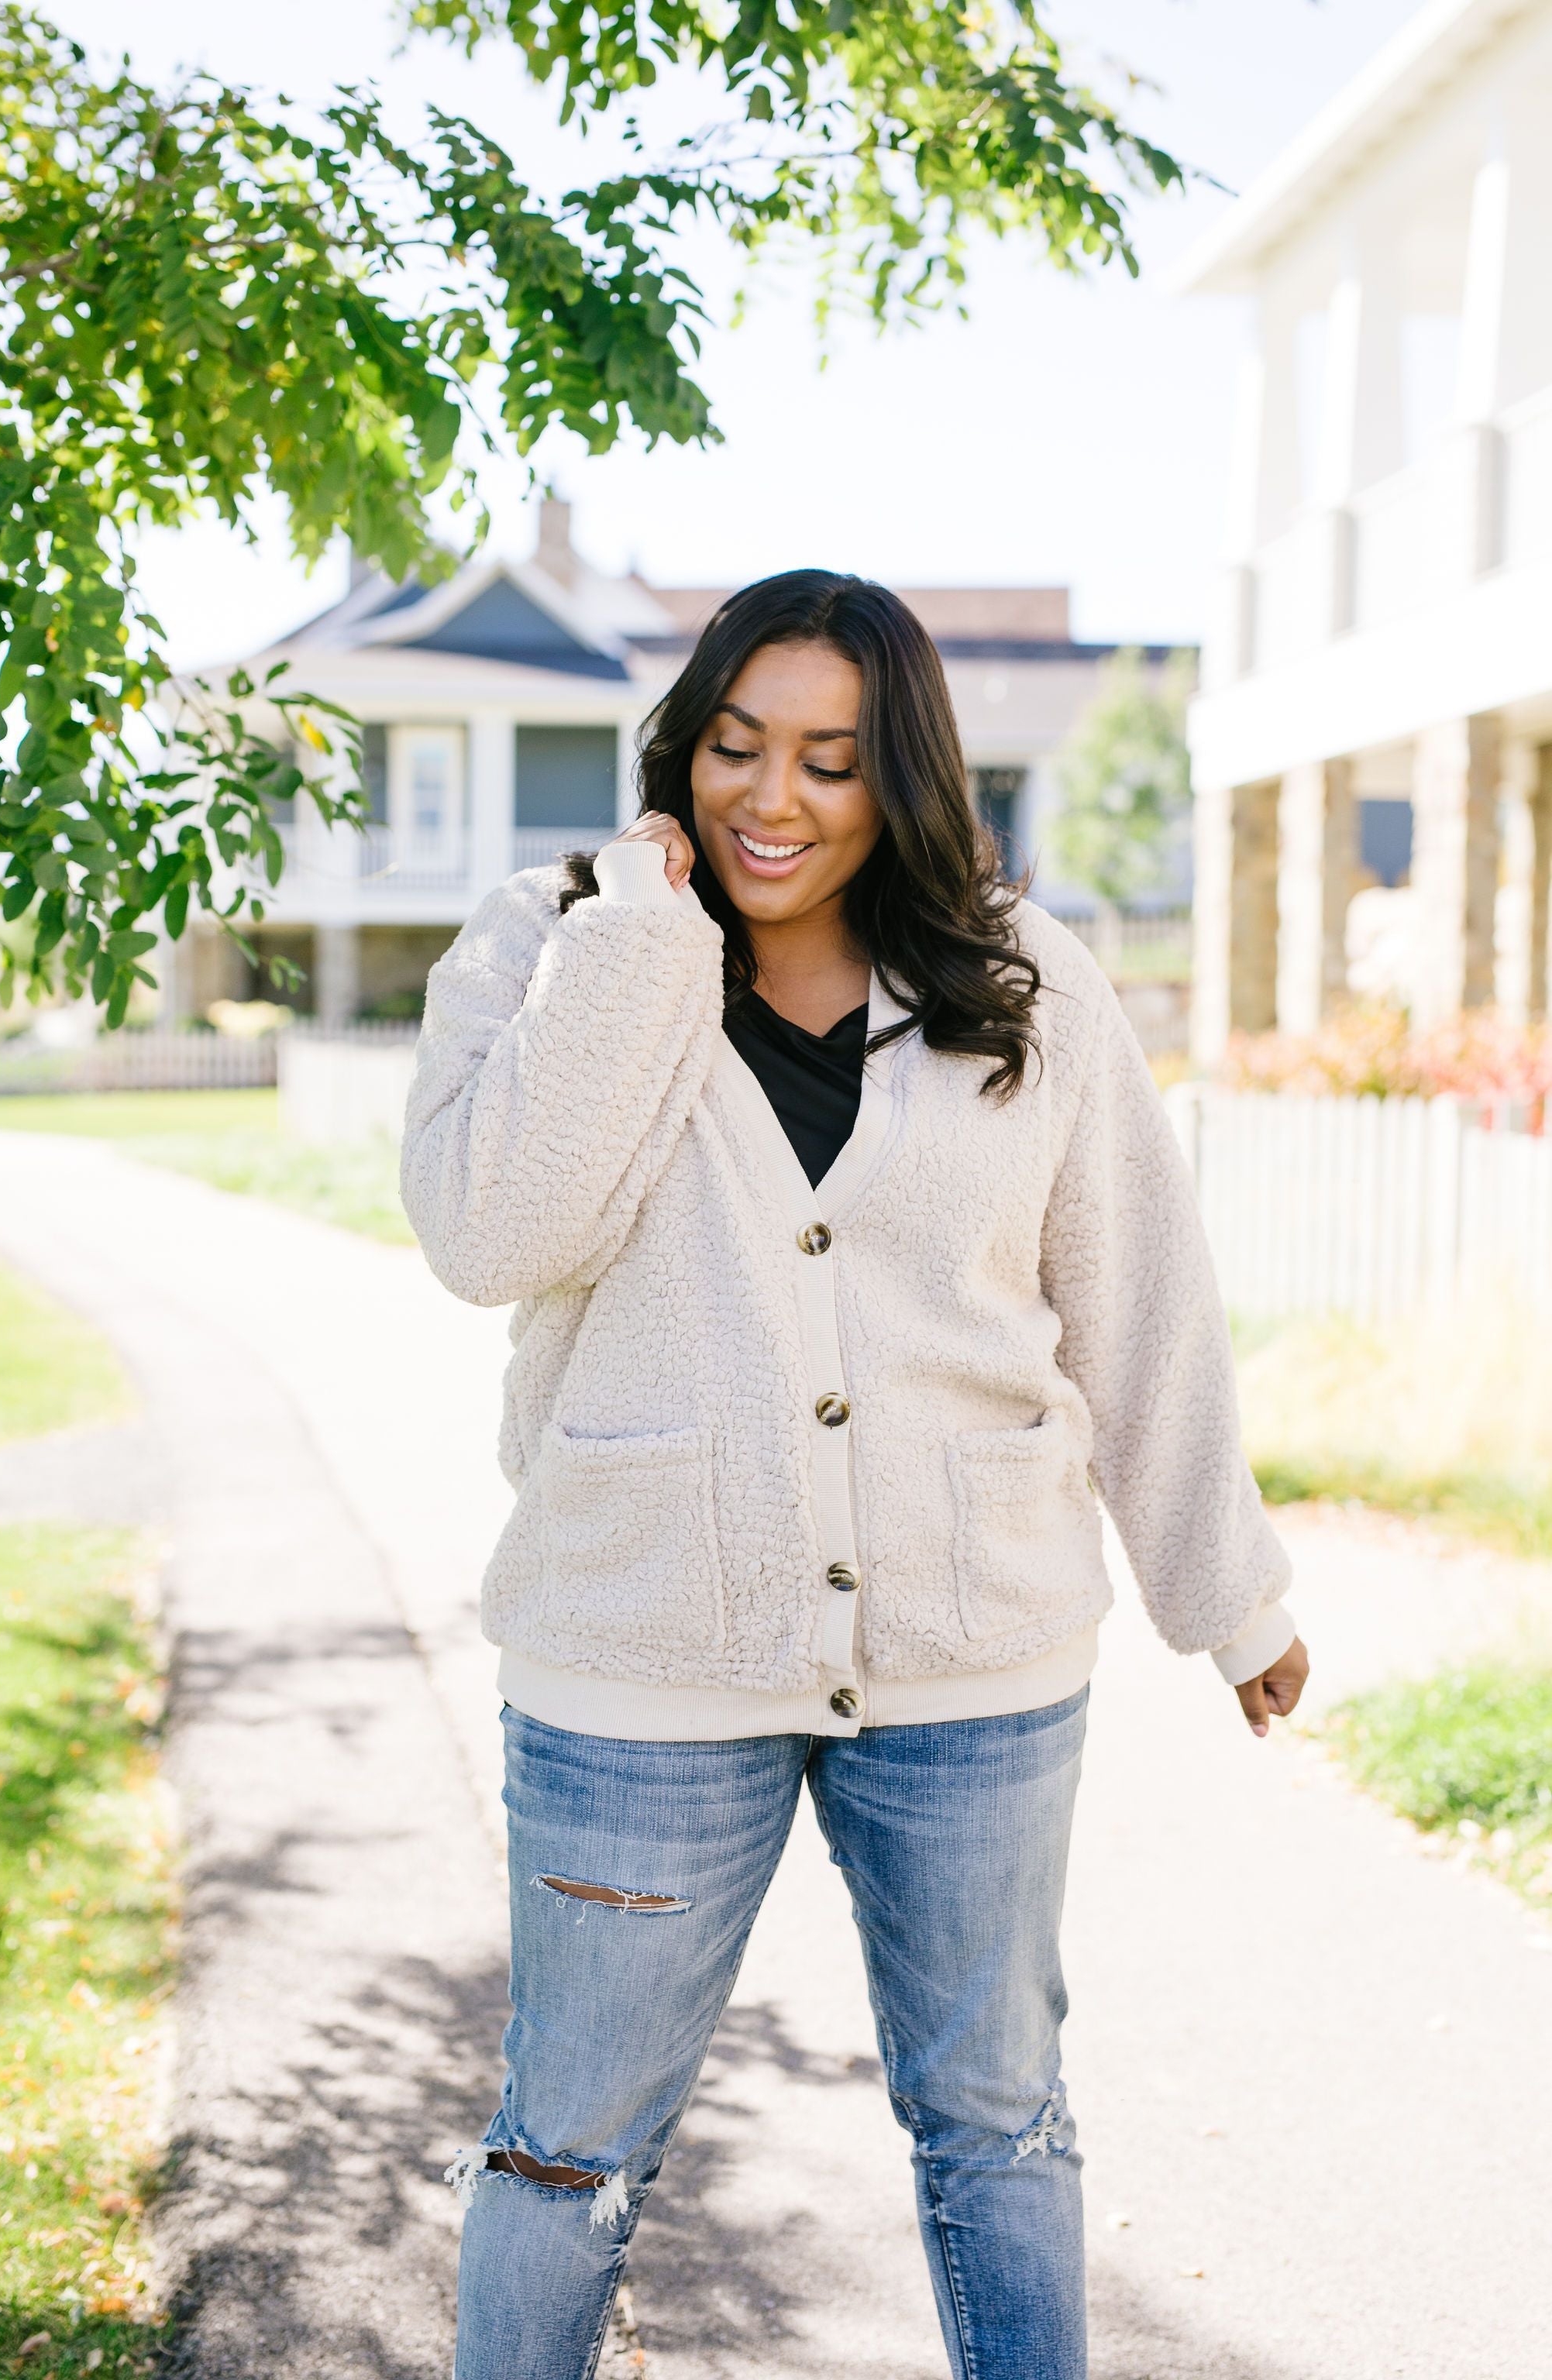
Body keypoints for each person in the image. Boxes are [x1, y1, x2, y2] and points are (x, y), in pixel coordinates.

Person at [401, 570, 1309, 2380]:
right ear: (684, 746)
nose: (773, 797)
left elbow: (1134, 1292)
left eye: (828, 758)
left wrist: (1228, 1593)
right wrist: (649, 942)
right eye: (736, 745)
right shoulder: (553, 935)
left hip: (974, 1658)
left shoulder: (1017, 971)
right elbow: (491, 1233)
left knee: (999, 2126)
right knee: (568, 2150)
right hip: (637, 1656)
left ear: (897, 775)